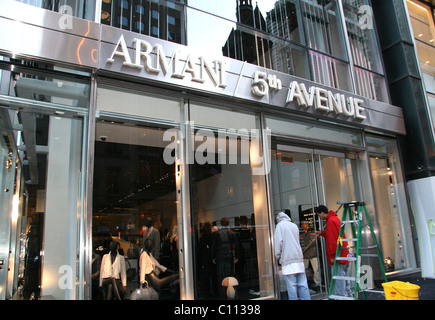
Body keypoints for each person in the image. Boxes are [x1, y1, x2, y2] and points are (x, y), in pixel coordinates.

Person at [315, 205, 352, 297]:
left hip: (337, 256)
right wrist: (323, 233)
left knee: (339, 281)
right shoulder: (335, 219)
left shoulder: (330, 221)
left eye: (319, 215)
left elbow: (332, 240)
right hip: (343, 253)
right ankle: (349, 295)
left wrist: (332, 256)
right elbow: (335, 235)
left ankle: (341, 297)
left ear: (323, 213)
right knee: (345, 279)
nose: (319, 217)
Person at [274, 212, 311, 300]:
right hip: (298, 260)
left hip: (288, 261)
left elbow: (278, 243)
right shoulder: (294, 226)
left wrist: (277, 256)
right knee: (303, 286)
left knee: (292, 288)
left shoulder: (280, 226)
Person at [211, 217, 240, 298]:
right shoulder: (232, 233)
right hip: (229, 255)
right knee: (230, 274)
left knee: (220, 275)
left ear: (220, 224)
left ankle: (223, 293)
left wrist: (213, 257)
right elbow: (237, 246)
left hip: (220, 256)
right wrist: (237, 257)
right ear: (228, 223)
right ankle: (231, 293)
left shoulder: (217, 234)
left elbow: (214, 246)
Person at [300, 221, 321, 292]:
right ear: (302, 225)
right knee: (303, 271)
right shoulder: (300, 234)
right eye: (305, 224)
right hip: (304, 255)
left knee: (316, 270)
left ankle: (317, 284)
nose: (306, 225)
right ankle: (304, 283)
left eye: (307, 224)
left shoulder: (313, 232)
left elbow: (319, 239)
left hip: (313, 254)